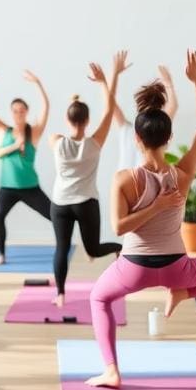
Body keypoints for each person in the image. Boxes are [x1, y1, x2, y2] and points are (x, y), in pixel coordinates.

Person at [86, 52, 196, 388]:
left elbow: (119, 227)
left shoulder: (123, 179)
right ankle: (182, 294)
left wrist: (154, 207)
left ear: (137, 139)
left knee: (99, 299)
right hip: (177, 268)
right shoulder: (182, 174)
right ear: (168, 139)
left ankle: (112, 370)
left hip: (134, 267)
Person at [48, 52, 128, 307]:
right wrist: (108, 79)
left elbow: (67, 128)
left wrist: (73, 101)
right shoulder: (94, 144)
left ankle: (60, 295)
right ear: (87, 121)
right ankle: (118, 248)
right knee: (92, 249)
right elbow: (109, 109)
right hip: (85, 203)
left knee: (62, 248)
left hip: (60, 203)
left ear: (67, 119)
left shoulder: (56, 141)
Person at [0, 67, 52, 265]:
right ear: (11, 113)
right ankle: (2, 255)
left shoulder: (34, 133)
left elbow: (46, 109)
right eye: (15, 111)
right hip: (8, 188)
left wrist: (38, 83)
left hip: (30, 188)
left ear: (27, 112)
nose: (18, 113)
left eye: (22, 110)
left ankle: (66, 246)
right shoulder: (3, 131)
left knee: (55, 216)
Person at [113, 65, 178, 171]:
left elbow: (111, 105)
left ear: (137, 137)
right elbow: (173, 106)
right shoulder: (160, 127)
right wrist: (168, 83)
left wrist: (113, 76)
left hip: (127, 182)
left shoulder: (127, 129)